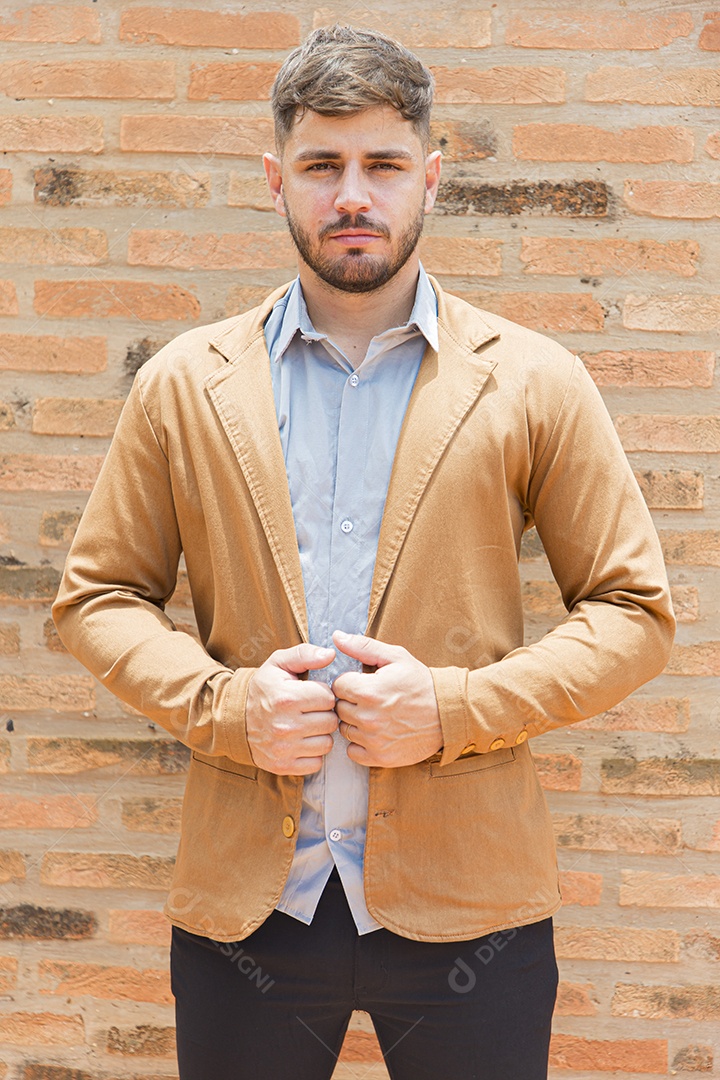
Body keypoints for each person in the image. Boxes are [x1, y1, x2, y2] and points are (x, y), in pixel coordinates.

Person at [53, 23, 675, 1080]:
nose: (354, 195)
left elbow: (633, 611)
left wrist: (454, 707)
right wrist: (225, 705)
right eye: (322, 166)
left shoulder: (530, 379)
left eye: (383, 165)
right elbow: (98, 596)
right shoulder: (185, 381)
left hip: (471, 907)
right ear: (275, 179)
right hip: (249, 911)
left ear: (430, 177)